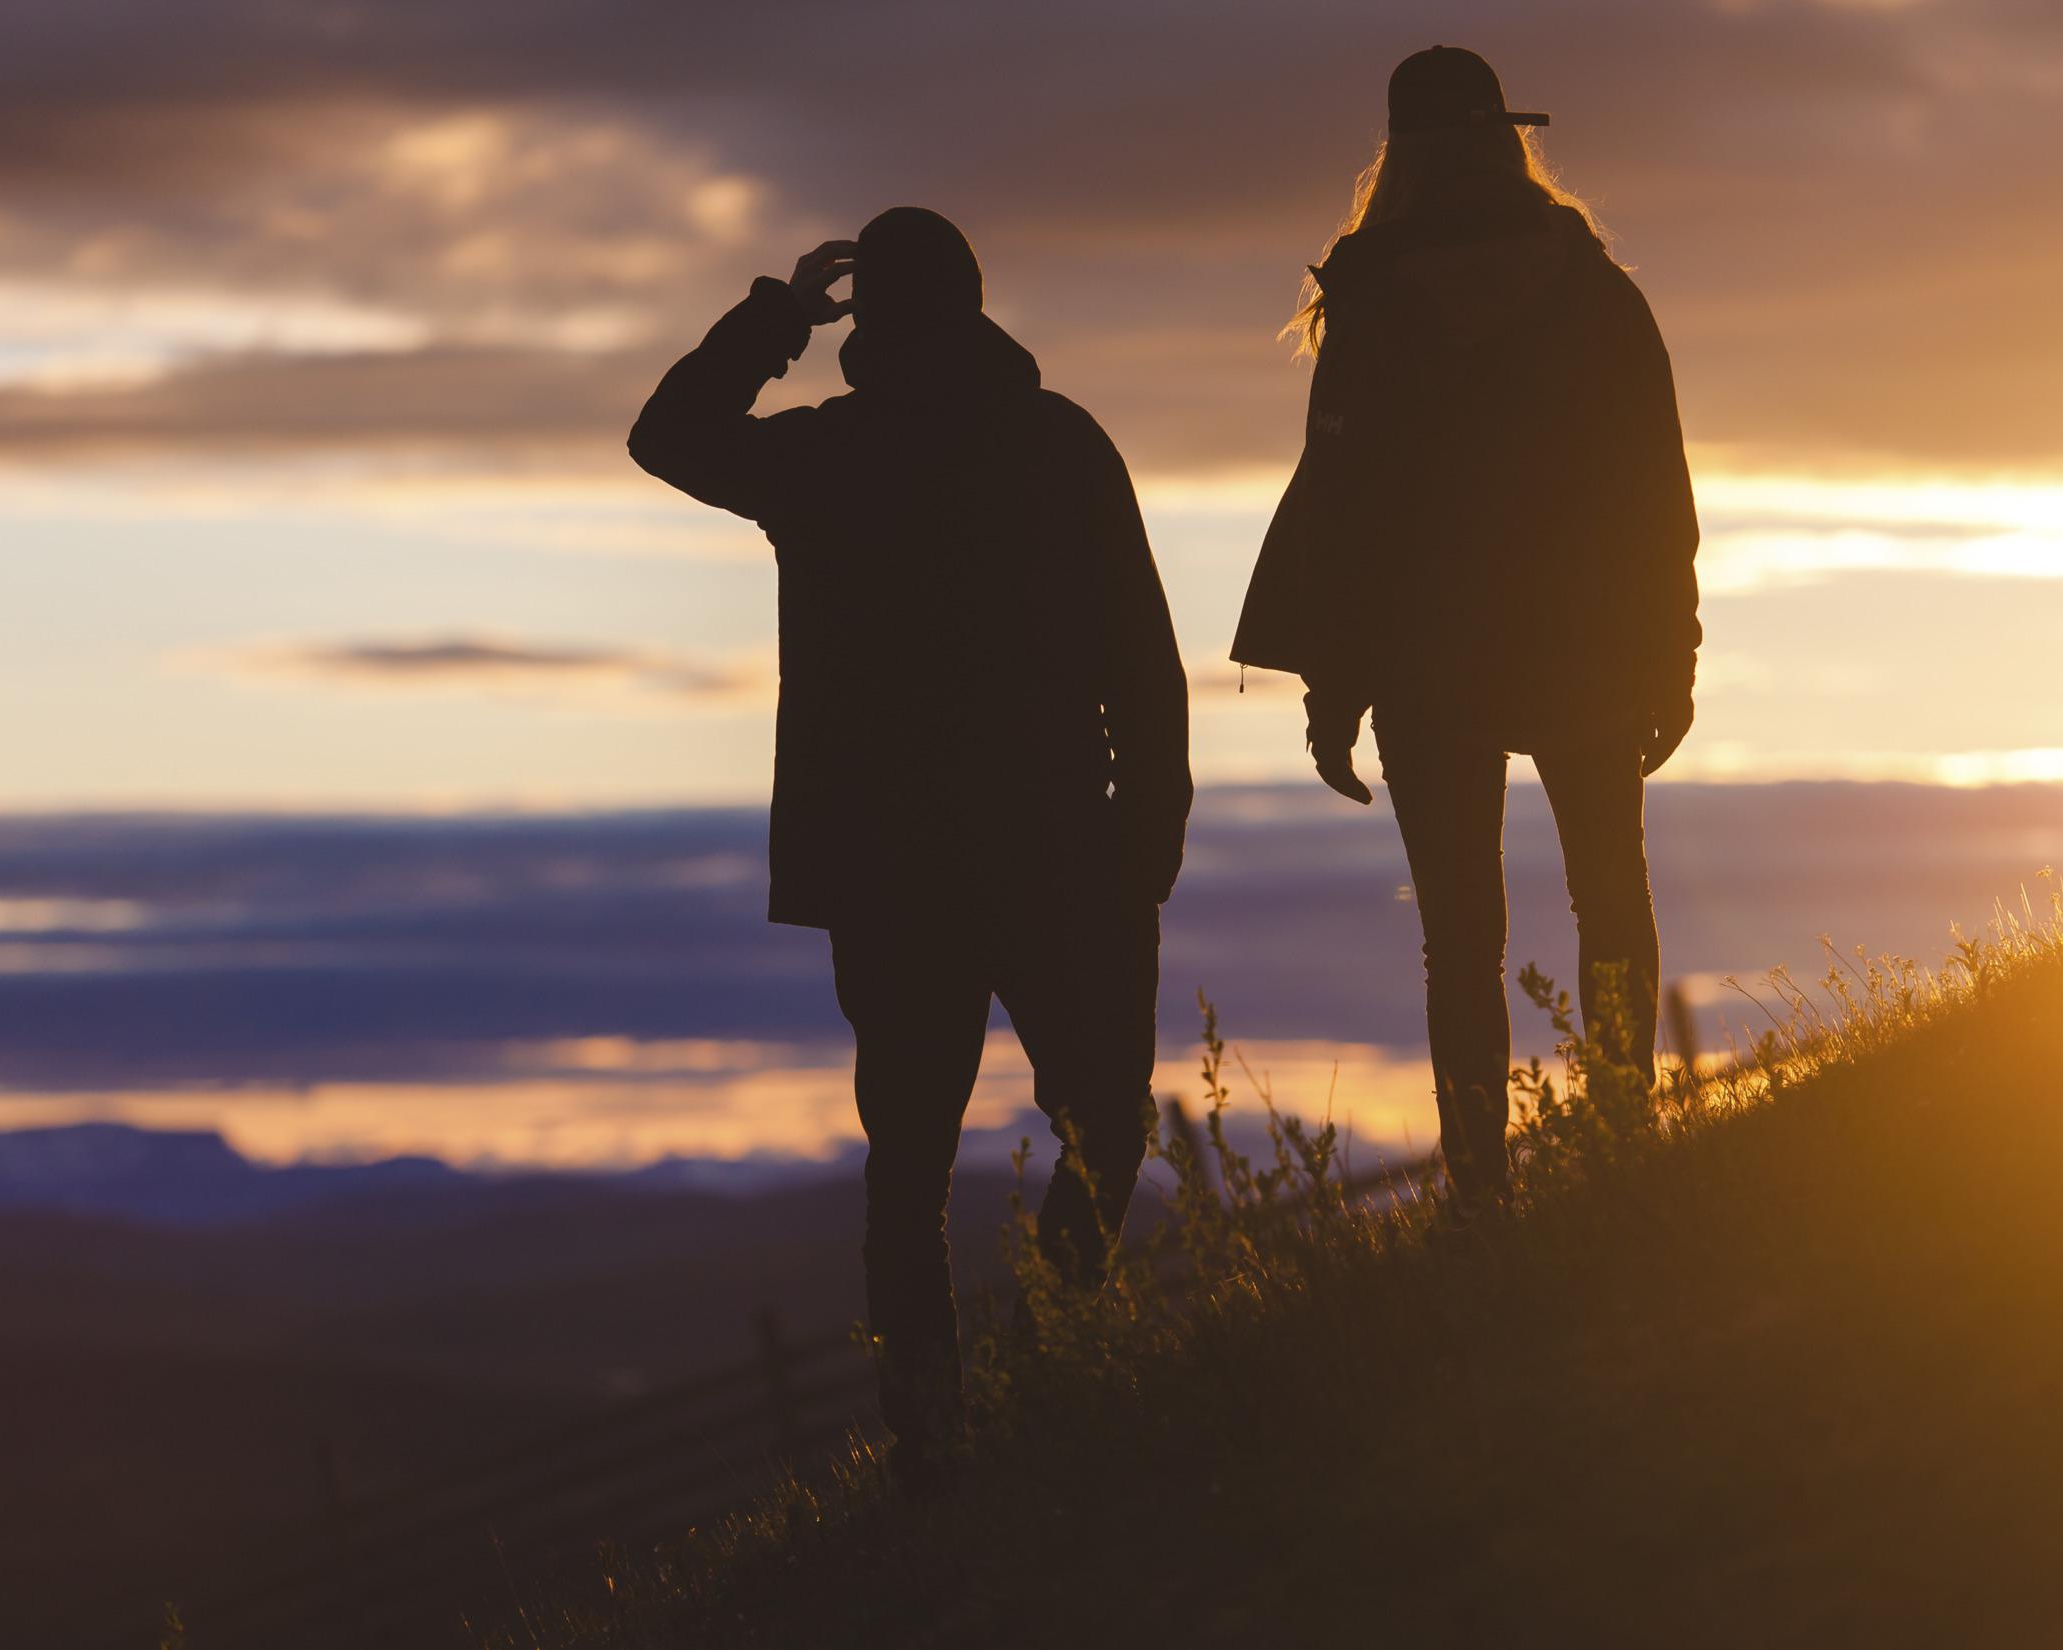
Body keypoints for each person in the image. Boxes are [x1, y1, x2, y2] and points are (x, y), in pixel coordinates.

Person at [628, 207, 1192, 1483]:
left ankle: (932, 1425)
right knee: (1103, 1119)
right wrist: (1149, 826)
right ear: (979, 305)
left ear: (864, 321)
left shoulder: (826, 457)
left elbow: (664, 436)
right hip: (1060, 843)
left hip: (891, 865)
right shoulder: (1059, 443)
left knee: (911, 1155)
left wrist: (778, 317)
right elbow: (1140, 655)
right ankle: (1047, 1364)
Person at [1231, 47, 1701, 1209]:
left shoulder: (1371, 300)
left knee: (1459, 937)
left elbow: (1339, 501)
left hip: (1425, 660)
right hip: (1583, 643)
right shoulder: (1592, 292)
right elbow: (1654, 486)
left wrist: (1331, 689)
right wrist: (1669, 651)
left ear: (1396, 160)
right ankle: (1619, 1139)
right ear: (1508, 140)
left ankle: (1479, 1190)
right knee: (1609, 891)